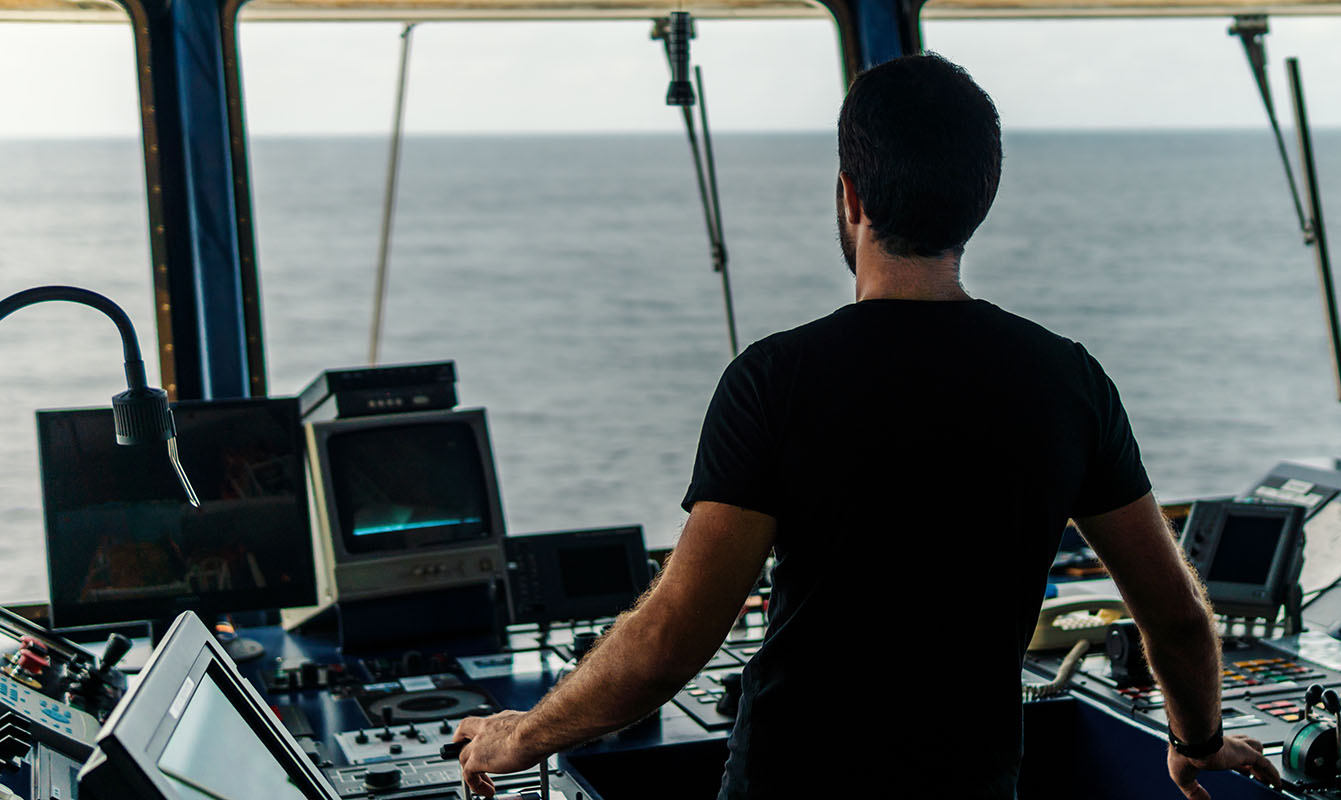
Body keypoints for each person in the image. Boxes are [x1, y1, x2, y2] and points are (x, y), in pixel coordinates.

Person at [453, 53, 1278, 800]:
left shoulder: (773, 382)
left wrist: (519, 736)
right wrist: (1194, 740)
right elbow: (1174, 615)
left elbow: (674, 637)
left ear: (850, 196)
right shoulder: (1070, 381)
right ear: (978, 202)